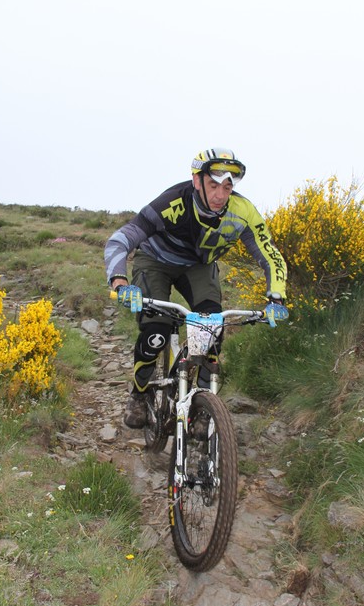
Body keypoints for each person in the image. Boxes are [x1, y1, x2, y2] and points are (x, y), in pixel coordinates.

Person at [104, 147, 289, 428]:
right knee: (156, 332)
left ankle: (203, 407)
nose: (220, 195)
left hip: (198, 267)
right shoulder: (172, 202)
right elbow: (121, 239)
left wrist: (277, 298)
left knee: (212, 330)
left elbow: (270, 255)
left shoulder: (243, 212)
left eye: (227, 187)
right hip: (155, 261)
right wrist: (119, 281)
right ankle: (139, 395)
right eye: (213, 185)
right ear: (196, 180)